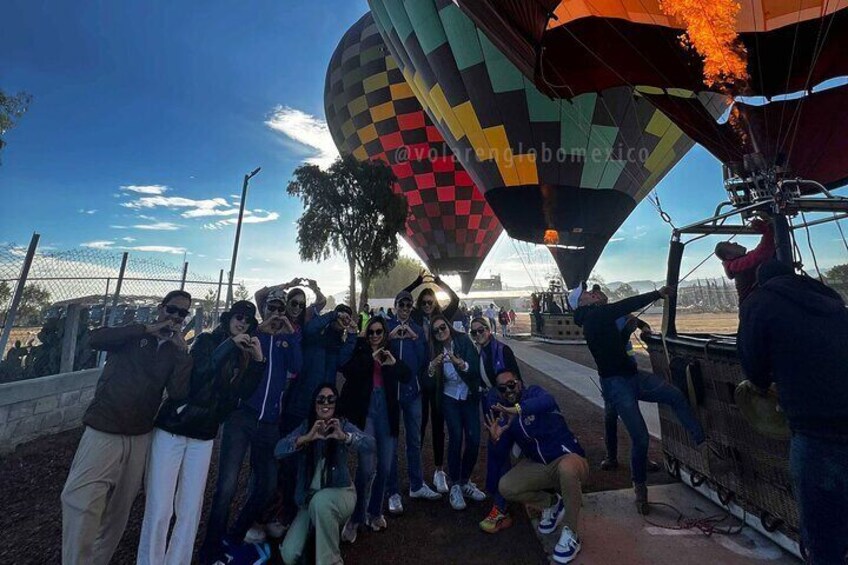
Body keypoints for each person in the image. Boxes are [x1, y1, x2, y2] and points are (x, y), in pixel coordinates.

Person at [570, 282, 728, 514]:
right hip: (618, 383)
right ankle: (640, 488)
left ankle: (704, 448)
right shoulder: (596, 316)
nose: (591, 293)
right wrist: (657, 294)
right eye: (586, 293)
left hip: (629, 376)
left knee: (673, 395)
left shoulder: (595, 319)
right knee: (641, 437)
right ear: (581, 303)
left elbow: (613, 346)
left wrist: (626, 330)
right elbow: (626, 304)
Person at [61, 290, 192, 565]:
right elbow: (94, 339)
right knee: (81, 502)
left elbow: (179, 393)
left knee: (118, 512)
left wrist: (182, 353)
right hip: (103, 429)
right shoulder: (133, 337)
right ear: (160, 308)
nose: (175, 317)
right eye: (172, 309)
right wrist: (145, 328)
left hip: (139, 435)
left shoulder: (172, 351)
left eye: (182, 313)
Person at [137, 301, 264, 565]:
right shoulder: (206, 340)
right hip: (174, 427)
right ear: (229, 318)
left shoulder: (243, 355)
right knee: (160, 507)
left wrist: (258, 362)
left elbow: (241, 394)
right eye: (239, 317)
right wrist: (229, 345)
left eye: (249, 321)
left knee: (190, 509)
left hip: (203, 435)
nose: (243, 323)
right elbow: (199, 375)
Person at [738, 259, 848, 564]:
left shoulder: (759, 303)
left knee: (824, 537)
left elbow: (755, 371)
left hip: (816, 431)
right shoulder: (832, 300)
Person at [199, 289, 303, 564]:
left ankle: (234, 536)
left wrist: (289, 332)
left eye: (281, 308)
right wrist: (262, 329)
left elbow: (297, 366)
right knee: (226, 485)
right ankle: (210, 548)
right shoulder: (254, 334)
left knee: (267, 485)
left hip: (270, 422)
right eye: (272, 307)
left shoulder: (286, 340)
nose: (277, 313)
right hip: (242, 417)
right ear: (264, 309)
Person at [268, 304, 358, 535]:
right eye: (341, 315)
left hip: (321, 407)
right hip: (300, 404)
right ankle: (283, 509)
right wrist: (332, 315)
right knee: (289, 459)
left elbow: (344, 360)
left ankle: (305, 511)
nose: (342, 321)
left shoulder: (337, 344)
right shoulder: (314, 337)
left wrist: (354, 334)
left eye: (346, 317)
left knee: (314, 460)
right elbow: (310, 328)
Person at [486, 370, 588, 564]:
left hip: (570, 459)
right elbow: (500, 456)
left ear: (520, 383)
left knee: (567, 469)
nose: (509, 390)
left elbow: (548, 401)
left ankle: (571, 534)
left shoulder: (534, 393)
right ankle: (551, 503)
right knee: (506, 486)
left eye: (512, 384)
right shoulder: (507, 418)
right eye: (503, 388)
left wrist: (517, 409)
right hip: (542, 467)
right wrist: (495, 439)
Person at [275, 384, 374, 565]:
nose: (325, 403)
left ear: (336, 404)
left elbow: (370, 444)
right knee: (288, 555)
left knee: (321, 503)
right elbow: (278, 450)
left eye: (331, 399)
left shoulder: (341, 424)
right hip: (308, 501)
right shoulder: (307, 426)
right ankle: (317, 535)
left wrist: (345, 437)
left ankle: (331, 560)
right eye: (320, 399)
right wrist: (305, 439)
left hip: (340, 495)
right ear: (314, 403)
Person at [338, 316, 411, 541]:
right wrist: (371, 358)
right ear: (366, 334)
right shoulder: (361, 351)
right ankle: (356, 518)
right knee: (366, 468)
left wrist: (394, 364)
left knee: (386, 466)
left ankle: (375, 511)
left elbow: (407, 376)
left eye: (379, 332)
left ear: (385, 334)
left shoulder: (390, 353)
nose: (375, 336)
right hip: (366, 410)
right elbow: (347, 370)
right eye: (371, 332)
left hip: (386, 413)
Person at [402, 270, 460, 493]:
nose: (427, 305)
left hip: (437, 381)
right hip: (419, 379)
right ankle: (416, 475)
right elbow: (402, 296)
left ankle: (439, 470)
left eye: (430, 302)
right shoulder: (414, 317)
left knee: (438, 425)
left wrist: (439, 282)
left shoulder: (442, 319)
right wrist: (417, 282)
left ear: (435, 303)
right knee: (419, 427)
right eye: (423, 302)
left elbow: (455, 299)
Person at [385, 291, 442, 515]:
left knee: (414, 440)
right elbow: (376, 348)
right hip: (390, 394)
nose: (406, 308)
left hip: (412, 393)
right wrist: (391, 336)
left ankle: (417, 485)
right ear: (395, 304)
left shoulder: (417, 330)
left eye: (409, 305)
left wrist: (414, 338)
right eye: (402, 304)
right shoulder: (386, 325)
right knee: (390, 442)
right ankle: (392, 491)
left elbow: (423, 362)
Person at [426, 314, 485, 510]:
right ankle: (455, 486)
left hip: (467, 396)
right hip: (449, 397)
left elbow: (475, 368)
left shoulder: (462, 341)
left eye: (443, 327)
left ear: (448, 326)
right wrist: (432, 367)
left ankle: (465, 480)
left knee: (474, 438)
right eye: (436, 330)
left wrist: (460, 363)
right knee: (456, 437)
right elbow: (428, 378)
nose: (441, 332)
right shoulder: (434, 350)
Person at [469, 317, 520, 533]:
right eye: (474, 332)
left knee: (499, 449)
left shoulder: (502, 350)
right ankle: (501, 495)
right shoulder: (480, 351)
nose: (478, 334)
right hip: (490, 402)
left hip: (503, 405)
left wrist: (513, 408)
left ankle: (500, 504)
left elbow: (516, 380)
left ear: (489, 330)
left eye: (481, 330)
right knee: (497, 449)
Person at [714, 217, 775, 304]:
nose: (735, 243)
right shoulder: (737, 265)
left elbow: (760, 251)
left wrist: (767, 230)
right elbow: (762, 253)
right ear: (729, 256)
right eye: (730, 245)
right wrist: (767, 231)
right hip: (754, 307)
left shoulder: (741, 262)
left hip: (757, 306)